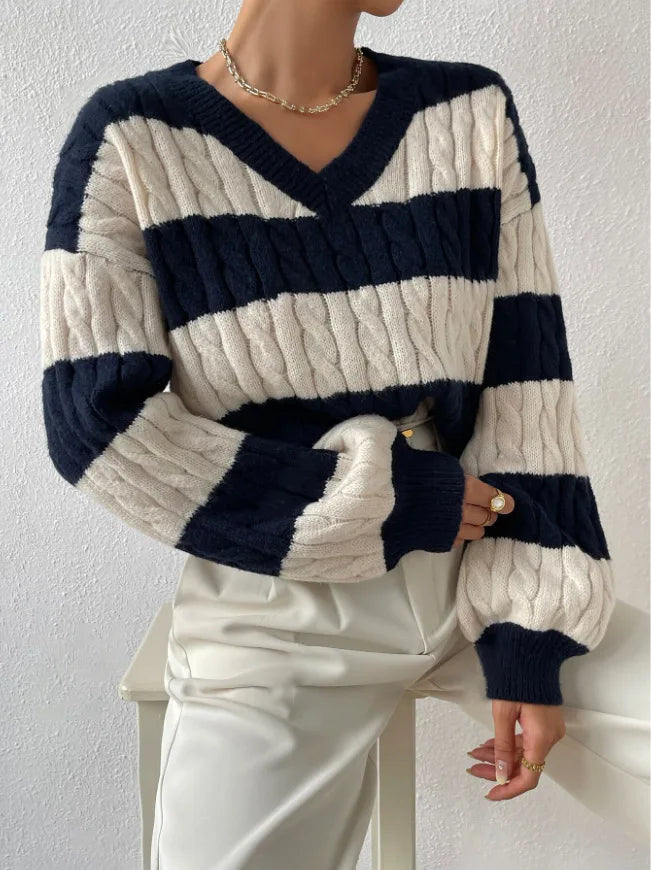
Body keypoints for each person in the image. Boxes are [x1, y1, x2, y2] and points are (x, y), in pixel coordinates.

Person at [38, 0, 649, 867]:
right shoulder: (133, 136)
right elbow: (98, 425)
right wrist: (380, 502)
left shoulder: (465, 111)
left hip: (478, 565)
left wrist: (529, 632)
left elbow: (526, 378)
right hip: (277, 605)